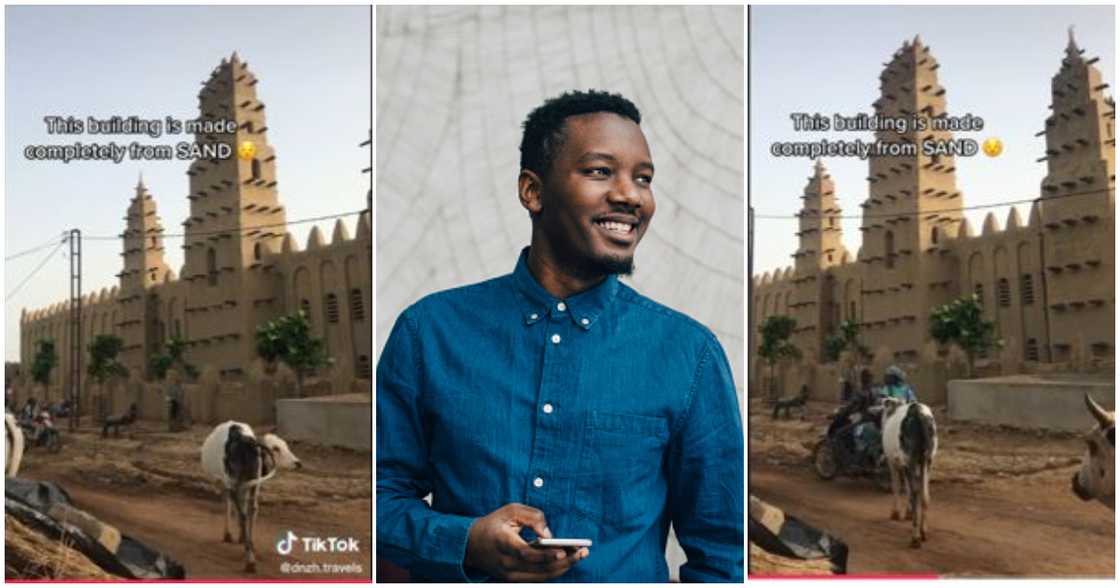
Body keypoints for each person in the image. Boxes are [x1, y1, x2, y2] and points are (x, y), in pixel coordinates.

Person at [377, 90, 743, 582]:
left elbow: (721, 556)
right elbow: (377, 500)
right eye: (599, 171)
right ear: (533, 191)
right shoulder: (429, 333)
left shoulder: (688, 354)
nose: (630, 195)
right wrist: (465, 543)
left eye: (643, 179)